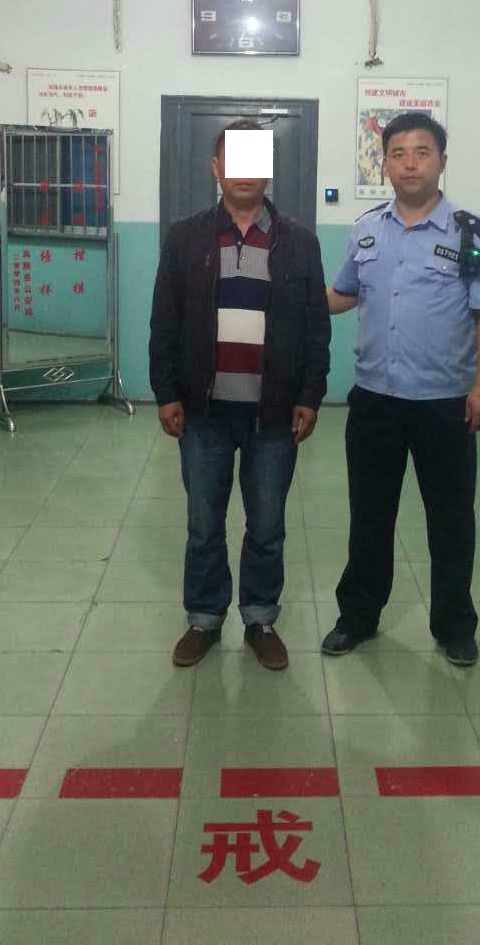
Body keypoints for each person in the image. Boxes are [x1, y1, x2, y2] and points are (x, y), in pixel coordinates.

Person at [321, 111, 480, 666]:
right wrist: (292, 294)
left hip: (445, 405)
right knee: (369, 517)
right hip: (374, 400)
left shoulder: (472, 234)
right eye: (398, 154)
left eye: (422, 153)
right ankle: (358, 616)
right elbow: (343, 294)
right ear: (384, 164)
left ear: (442, 161)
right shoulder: (366, 229)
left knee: (450, 521)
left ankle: (454, 626)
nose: (410, 164)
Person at [149, 119, 331, 671]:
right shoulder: (186, 237)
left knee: (267, 526)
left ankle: (260, 619)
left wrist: (310, 395)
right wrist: (165, 392)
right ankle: (204, 620)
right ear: (216, 167)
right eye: (235, 158)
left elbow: (316, 327)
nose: (245, 172)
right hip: (202, 412)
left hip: (272, 415)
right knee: (204, 524)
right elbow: (164, 320)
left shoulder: (299, 241)